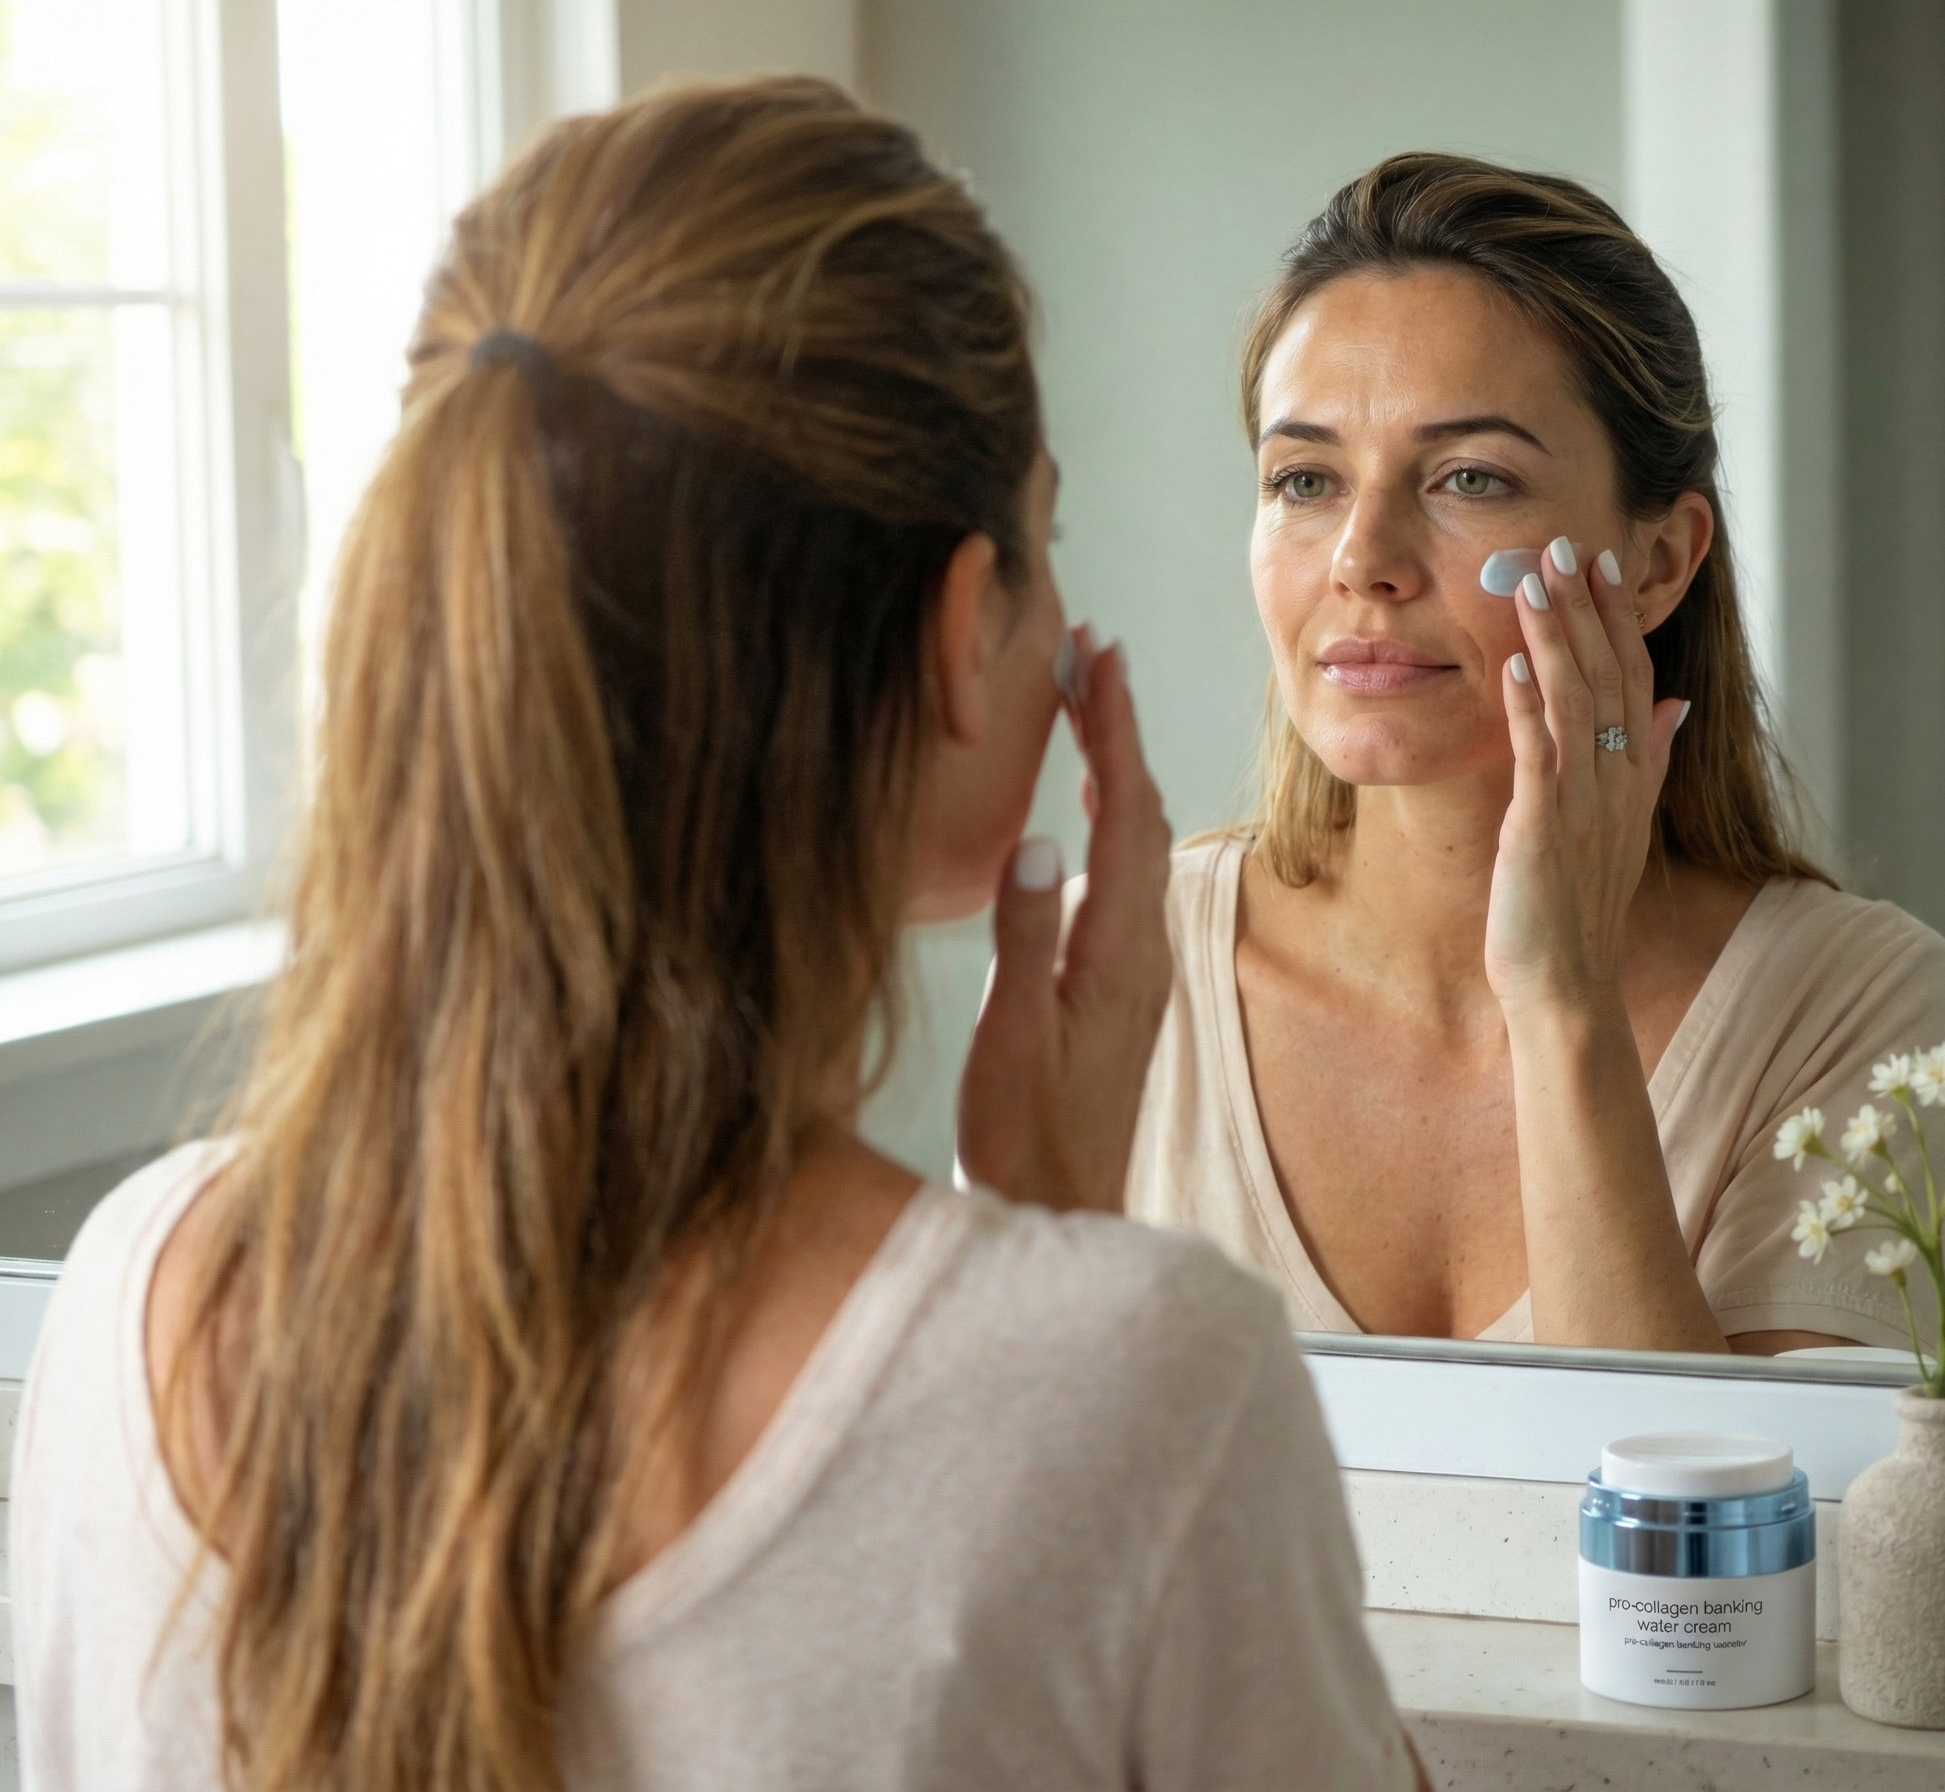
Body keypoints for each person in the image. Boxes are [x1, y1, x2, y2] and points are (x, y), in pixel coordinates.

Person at [10, 80, 1421, 1792]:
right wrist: (1055, 1270)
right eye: (1040, 551)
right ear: (958, 621)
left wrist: (1036, 1267)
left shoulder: (123, 1288)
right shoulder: (1145, 1388)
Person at [1117, 153, 1945, 1351]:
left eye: (1471, 477)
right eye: (1304, 478)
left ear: (1663, 561)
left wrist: (1565, 1003)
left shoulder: (1850, 1006)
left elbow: (1726, 1531)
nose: (1363, 556)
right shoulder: (1111, 970)